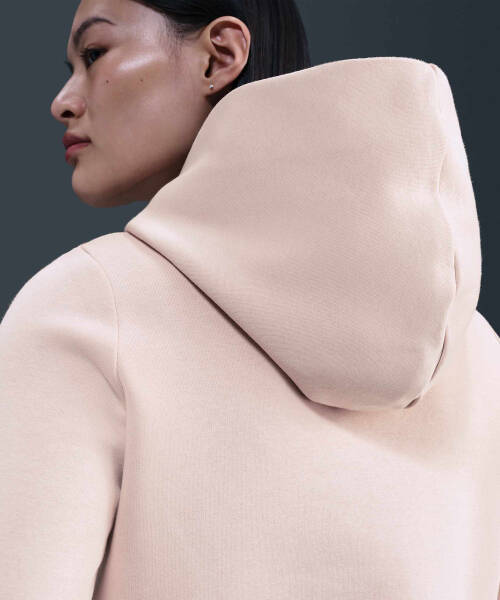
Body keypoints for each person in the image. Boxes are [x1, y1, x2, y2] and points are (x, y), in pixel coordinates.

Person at [1, 1, 499, 599]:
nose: (63, 101)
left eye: (94, 54)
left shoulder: (87, 309)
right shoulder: (475, 351)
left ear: (220, 56)